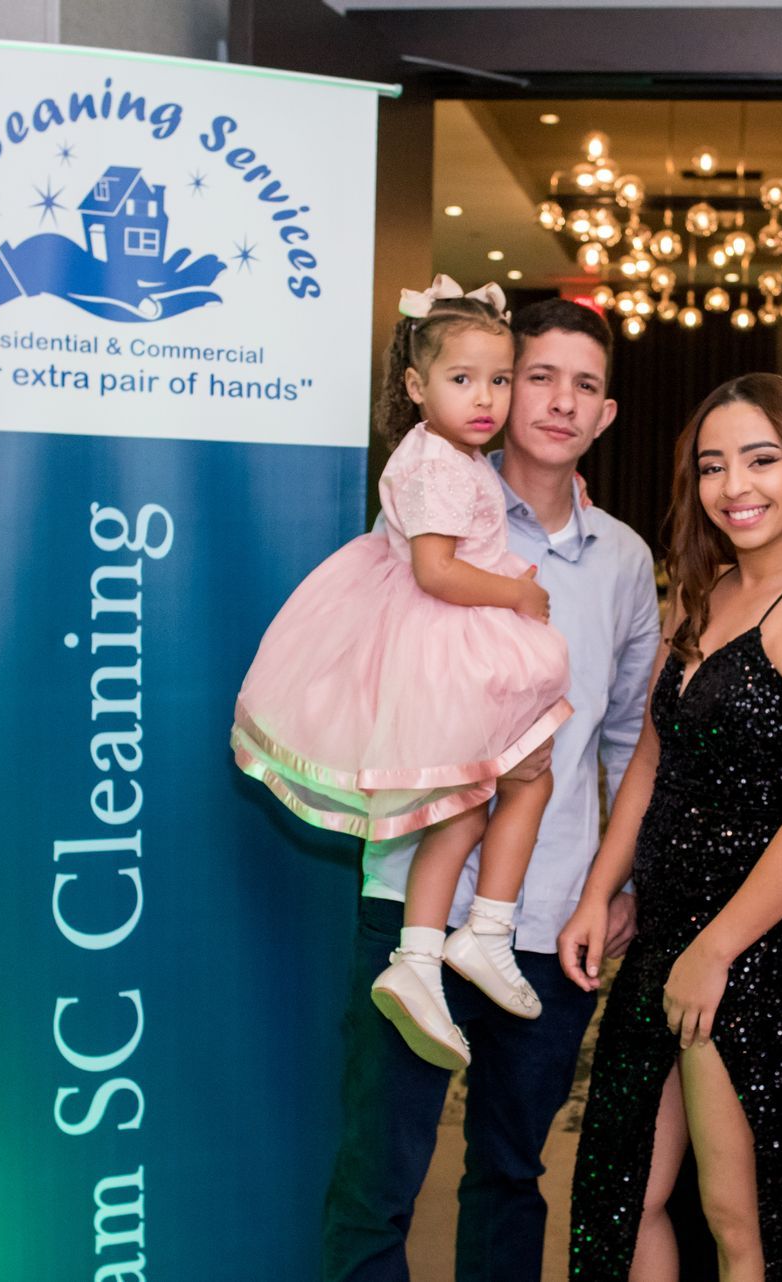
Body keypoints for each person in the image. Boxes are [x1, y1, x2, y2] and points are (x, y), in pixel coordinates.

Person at [319, 296, 661, 1282]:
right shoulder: (426, 512)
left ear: (606, 415)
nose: (558, 401)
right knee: (374, 1180)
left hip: (550, 922)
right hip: (410, 905)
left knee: (512, 1173)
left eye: (584, 386)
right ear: (503, 390)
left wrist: (614, 884)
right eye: (538, 375)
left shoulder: (626, 562)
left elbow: (632, 737)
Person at [561, 373, 782, 1282]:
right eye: (713, 466)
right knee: (625, 1194)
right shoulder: (698, 597)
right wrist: (600, 891)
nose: (735, 486)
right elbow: (652, 765)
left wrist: (717, 949)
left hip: (769, 950)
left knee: (743, 1222)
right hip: (669, 935)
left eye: (760, 459)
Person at [233, 274, 574, 1068]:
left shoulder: (442, 454)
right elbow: (437, 573)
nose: (486, 398)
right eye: (463, 380)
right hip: (445, 647)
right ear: (418, 386)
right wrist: (520, 594)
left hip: (440, 649)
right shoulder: (442, 467)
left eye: (499, 379)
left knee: (469, 802)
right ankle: (481, 930)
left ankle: (425, 954)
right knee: (524, 780)